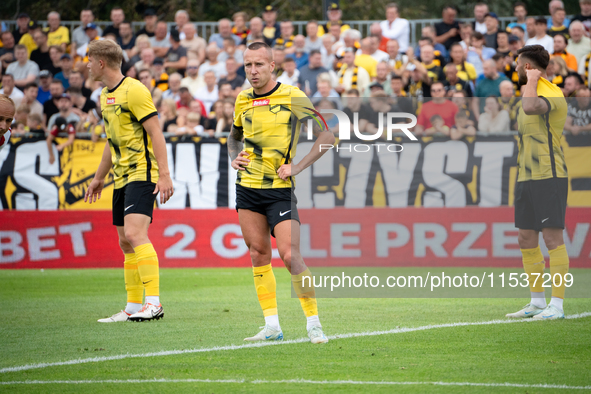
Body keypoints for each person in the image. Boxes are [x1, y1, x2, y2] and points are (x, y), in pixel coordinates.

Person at [229, 42, 334, 344]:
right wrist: (234, 156)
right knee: (258, 253)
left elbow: (328, 135)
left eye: (259, 64)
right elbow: (234, 138)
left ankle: (314, 323)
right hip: (248, 188)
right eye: (248, 65)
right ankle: (271, 325)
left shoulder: (293, 96)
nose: (253, 71)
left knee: (289, 255)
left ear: (272, 66)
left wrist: (298, 166)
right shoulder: (242, 99)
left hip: (280, 190)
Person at [84, 39, 174, 323]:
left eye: (89, 60)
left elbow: (156, 133)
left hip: (141, 173)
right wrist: (99, 178)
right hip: (120, 177)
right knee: (125, 241)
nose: (86, 65)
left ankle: (154, 303)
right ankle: (134, 306)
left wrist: (165, 174)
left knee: (136, 235)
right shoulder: (103, 95)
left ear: (101, 62)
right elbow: (112, 142)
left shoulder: (135, 90)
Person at [506, 45, 569, 321]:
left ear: (529, 67)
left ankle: (557, 305)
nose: (516, 69)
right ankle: (536, 301)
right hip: (526, 175)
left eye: (520, 65)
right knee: (526, 237)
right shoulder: (528, 91)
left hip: (549, 175)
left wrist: (532, 81)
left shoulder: (551, 93)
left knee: (552, 238)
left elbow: (532, 108)